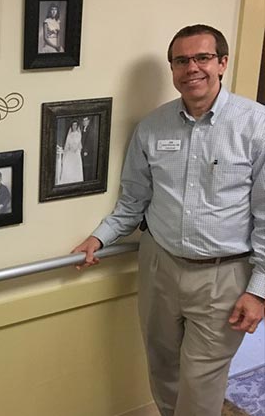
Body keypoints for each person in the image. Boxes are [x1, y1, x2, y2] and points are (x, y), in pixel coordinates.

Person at [71, 25, 265, 416]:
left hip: (223, 277)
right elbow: (134, 200)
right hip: (158, 266)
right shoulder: (152, 127)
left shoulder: (256, 126)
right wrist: (100, 238)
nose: (192, 68)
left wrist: (259, 288)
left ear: (222, 63)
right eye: (181, 61)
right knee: (163, 371)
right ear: (172, 69)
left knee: (200, 384)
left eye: (202, 58)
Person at [80, 116, 98, 181]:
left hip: (87, 152)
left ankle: (87, 180)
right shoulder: (83, 129)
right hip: (82, 151)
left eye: (85, 121)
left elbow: (89, 140)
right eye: (83, 121)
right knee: (83, 166)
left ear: (88, 121)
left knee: (87, 166)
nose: (84, 122)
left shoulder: (91, 129)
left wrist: (86, 150)